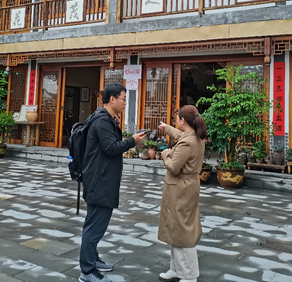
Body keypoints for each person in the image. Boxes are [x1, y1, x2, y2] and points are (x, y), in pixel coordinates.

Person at [78, 83, 149, 282]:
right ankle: (87, 271)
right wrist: (132, 141)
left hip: (100, 178)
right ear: (112, 99)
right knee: (94, 227)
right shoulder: (102, 121)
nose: (125, 103)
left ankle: (92, 259)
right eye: (123, 99)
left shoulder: (104, 118)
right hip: (99, 180)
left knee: (94, 224)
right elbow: (111, 148)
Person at [157, 105, 207, 282]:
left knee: (182, 230)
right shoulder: (195, 136)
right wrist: (167, 128)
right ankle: (177, 268)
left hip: (181, 188)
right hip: (186, 186)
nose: (176, 121)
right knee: (175, 228)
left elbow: (173, 167)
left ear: (183, 120)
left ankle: (189, 275)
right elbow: (180, 135)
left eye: (177, 119)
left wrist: (165, 153)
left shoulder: (187, 142)